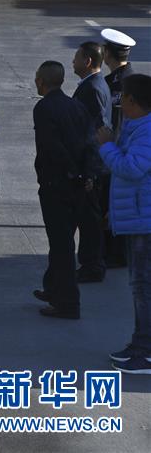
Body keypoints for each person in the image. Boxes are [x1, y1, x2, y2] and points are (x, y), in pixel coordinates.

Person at [32, 61, 99, 320]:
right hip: (77, 186)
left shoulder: (44, 108)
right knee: (62, 242)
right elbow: (90, 143)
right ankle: (54, 288)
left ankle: (67, 303)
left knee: (60, 246)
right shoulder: (77, 107)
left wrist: (71, 172)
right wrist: (86, 174)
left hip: (57, 186)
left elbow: (51, 148)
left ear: (42, 81)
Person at [97, 74, 151, 374]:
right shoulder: (136, 127)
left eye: (124, 98)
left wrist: (106, 147)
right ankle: (140, 343)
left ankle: (146, 351)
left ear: (133, 100)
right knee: (140, 286)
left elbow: (131, 168)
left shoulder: (146, 131)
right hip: (137, 219)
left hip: (145, 223)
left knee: (144, 287)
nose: (120, 103)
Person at [72, 41, 112, 283]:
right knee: (87, 219)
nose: (73, 62)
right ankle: (90, 263)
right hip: (92, 166)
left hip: (92, 167)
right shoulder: (94, 85)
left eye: (76, 57)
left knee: (89, 220)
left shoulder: (93, 89)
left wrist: (89, 172)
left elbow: (94, 133)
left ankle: (92, 266)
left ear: (87, 61)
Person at [101, 28, 136, 268]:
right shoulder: (124, 79)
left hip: (117, 150)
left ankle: (116, 253)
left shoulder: (121, 84)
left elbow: (120, 122)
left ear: (107, 54)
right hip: (117, 149)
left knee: (112, 201)